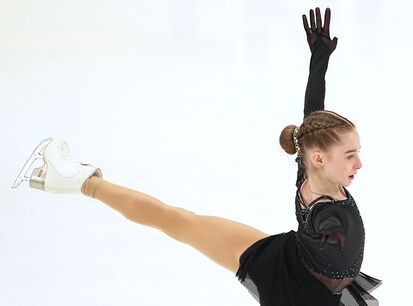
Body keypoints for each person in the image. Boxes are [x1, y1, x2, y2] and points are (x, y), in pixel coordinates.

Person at [12, 7, 381, 306]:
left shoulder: (309, 172)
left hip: (295, 269)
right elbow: (333, 237)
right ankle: (77, 181)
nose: (359, 163)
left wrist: (319, 59)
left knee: (179, 221)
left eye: (357, 154)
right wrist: (332, 239)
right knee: (179, 220)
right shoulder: (330, 212)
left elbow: (312, 114)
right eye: (350, 155)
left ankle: (74, 182)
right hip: (293, 278)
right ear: (317, 158)